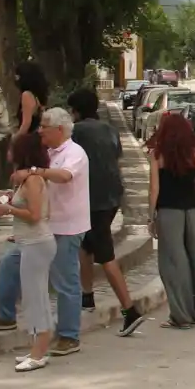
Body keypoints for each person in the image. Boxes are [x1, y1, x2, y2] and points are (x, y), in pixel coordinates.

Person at [0, 108, 90, 356]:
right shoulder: (45, 152)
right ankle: (6, 315)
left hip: (65, 227)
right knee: (10, 264)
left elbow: (64, 176)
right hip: (36, 230)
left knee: (65, 282)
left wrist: (34, 172)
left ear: (59, 130)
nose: (40, 130)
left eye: (45, 126)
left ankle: (69, 335)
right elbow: (29, 190)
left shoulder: (75, 153)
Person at [68, 88, 147, 337]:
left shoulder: (76, 132)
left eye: (71, 110)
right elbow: (116, 159)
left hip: (92, 200)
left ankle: (130, 310)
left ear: (77, 111)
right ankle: (87, 297)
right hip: (112, 197)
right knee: (86, 246)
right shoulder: (110, 130)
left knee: (105, 254)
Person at [147, 111, 195, 330]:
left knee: (173, 264)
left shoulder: (157, 155)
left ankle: (181, 315)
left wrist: (150, 216)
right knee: (194, 260)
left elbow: (154, 189)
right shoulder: (193, 153)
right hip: (194, 211)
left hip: (170, 212)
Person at [0, 131, 55, 372]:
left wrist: (8, 210)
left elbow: (35, 215)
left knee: (35, 297)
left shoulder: (32, 180)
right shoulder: (27, 179)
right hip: (30, 242)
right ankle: (36, 349)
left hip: (36, 243)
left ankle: (39, 353)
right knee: (32, 296)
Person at [13, 61, 49, 139]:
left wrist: (15, 140)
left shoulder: (27, 95)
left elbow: (26, 123)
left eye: (17, 75)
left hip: (29, 139)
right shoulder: (37, 96)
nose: (15, 78)